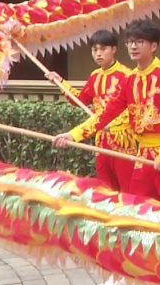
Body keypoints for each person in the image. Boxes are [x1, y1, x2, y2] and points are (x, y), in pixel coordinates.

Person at [54, 20, 160, 207]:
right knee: (137, 207)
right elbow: (105, 114)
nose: (133, 46)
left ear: (154, 46)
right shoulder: (129, 80)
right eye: (130, 42)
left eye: (139, 42)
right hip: (143, 153)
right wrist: (74, 134)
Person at [45, 30, 135, 195]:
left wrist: (112, 124)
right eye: (94, 50)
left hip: (123, 140)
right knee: (105, 188)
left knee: (127, 190)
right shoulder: (95, 77)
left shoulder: (127, 76)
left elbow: (132, 110)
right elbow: (80, 99)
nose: (98, 54)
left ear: (114, 49)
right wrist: (60, 83)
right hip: (101, 139)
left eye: (103, 49)